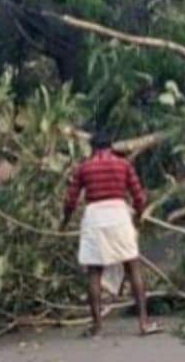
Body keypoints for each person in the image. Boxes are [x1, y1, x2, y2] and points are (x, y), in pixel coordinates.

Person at [62, 130, 160, 337]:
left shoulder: (84, 167)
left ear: (93, 148)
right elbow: (139, 196)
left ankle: (97, 327)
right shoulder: (123, 165)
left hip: (94, 217)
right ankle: (144, 323)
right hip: (118, 214)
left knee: (94, 272)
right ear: (111, 147)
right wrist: (138, 216)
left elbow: (70, 200)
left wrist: (64, 222)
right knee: (132, 267)